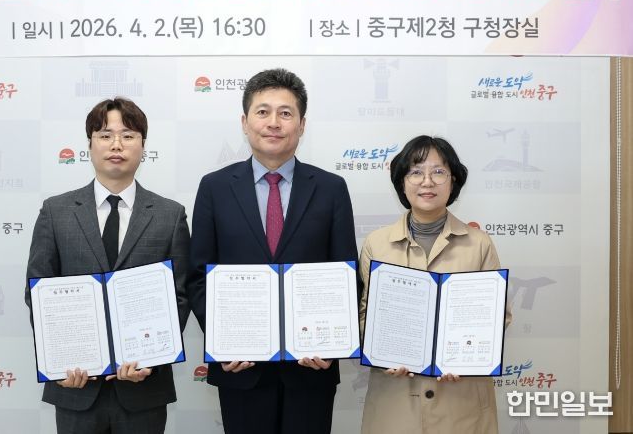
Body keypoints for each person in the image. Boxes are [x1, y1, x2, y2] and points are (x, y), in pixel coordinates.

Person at [187, 68, 358, 434]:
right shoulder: (215, 188)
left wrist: (331, 345)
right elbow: (198, 276)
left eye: (285, 113)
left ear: (302, 124)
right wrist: (222, 341)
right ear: (245, 122)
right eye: (263, 112)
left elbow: (345, 274)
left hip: (311, 367)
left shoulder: (331, 189)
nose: (274, 123)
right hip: (241, 367)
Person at [25, 97, 190, 434]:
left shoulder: (170, 215)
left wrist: (152, 359)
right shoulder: (56, 212)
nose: (117, 144)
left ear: (143, 146)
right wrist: (60, 360)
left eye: (128, 135)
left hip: (144, 388)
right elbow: (37, 292)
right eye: (105, 135)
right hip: (75, 387)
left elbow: (180, 296)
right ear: (90, 144)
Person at [358, 135, 512, 434]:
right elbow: (364, 314)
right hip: (396, 401)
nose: (427, 181)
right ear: (402, 182)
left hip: (461, 402)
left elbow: (498, 317)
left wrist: (466, 358)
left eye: (438, 171)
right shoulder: (377, 243)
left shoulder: (479, 243)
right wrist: (381, 352)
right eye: (416, 172)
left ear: (453, 181)